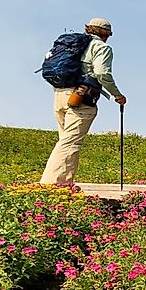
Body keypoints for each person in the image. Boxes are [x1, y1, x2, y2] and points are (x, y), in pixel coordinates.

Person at [40, 17, 126, 185]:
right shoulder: (102, 47)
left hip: (60, 95)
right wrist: (117, 95)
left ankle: (64, 183)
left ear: (88, 29)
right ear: (107, 34)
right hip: (81, 98)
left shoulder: (73, 45)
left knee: (65, 141)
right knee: (70, 143)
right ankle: (51, 185)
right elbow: (102, 73)